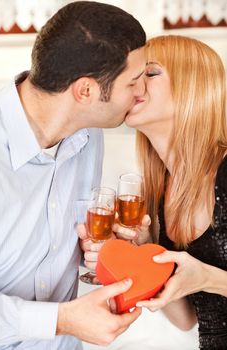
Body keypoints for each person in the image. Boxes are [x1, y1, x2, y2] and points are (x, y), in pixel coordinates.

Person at [0, 1, 147, 349]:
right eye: (134, 82)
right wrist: (61, 319)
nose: (142, 94)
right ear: (86, 91)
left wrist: (110, 251)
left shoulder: (87, 134)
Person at [81, 35, 227, 349]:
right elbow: (186, 318)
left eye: (151, 73)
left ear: (192, 87)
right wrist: (145, 256)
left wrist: (208, 277)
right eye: (132, 76)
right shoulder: (162, 190)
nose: (134, 84)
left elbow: (205, 280)